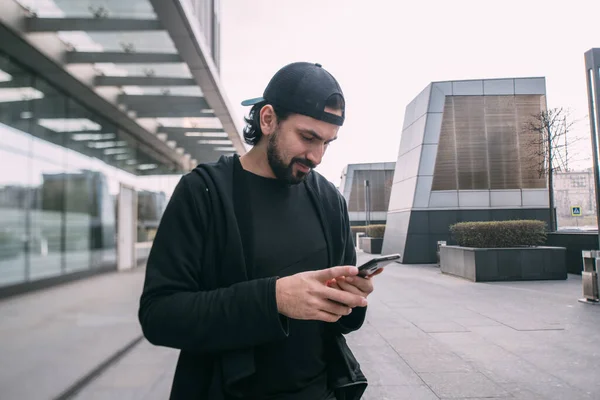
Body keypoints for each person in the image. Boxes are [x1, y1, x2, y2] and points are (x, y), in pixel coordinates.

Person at [138, 62, 380, 400]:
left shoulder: (329, 201)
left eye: (327, 143)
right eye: (308, 137)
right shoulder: (204, 192)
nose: (317, 156)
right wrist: (274, 299)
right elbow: (159, 316)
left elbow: (341, 324)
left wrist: (353, 298)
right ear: (268, 119)